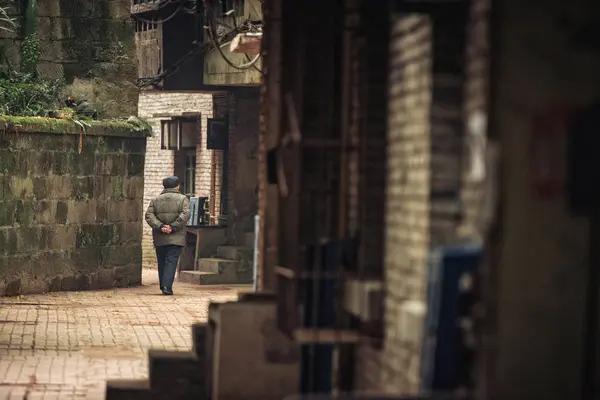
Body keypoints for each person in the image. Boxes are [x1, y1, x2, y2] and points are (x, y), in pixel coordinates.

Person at [145, 176, 190, 295]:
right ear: (177, 186)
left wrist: (160, 226)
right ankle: (167, 287)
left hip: (160, 237)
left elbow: (149, 216)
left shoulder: (155, 200)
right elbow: (185, 215)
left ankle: (163, 285)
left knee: (161, 261)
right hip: (176, 236)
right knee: (171, 261)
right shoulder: (183, 199)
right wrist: (173, 226)